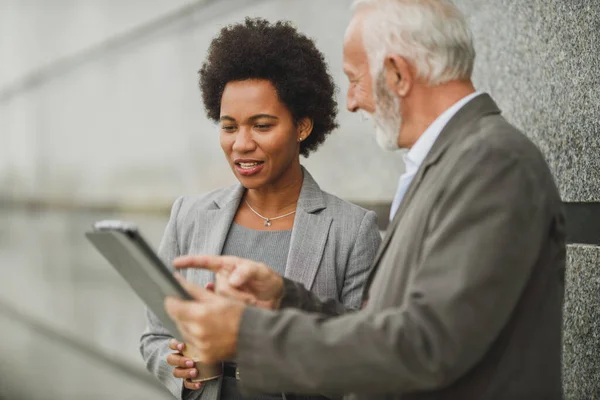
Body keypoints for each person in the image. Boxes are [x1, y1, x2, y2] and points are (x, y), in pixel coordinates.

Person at [164, 1, 566, 399]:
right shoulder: (456, 160)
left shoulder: (491, 163)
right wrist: (286, 299)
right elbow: (387, 326)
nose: (352, 101)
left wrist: (246, 335)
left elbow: (425, 345)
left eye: (355, 80)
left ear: (397, 74)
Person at [140, 18, 382, 400]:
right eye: (229, 126)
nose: (241, 144)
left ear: (302, 126)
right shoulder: (189, 215)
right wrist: (178, 368)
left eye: (262, 126)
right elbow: (155, 333)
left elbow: (369, 349)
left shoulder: (352, 230)